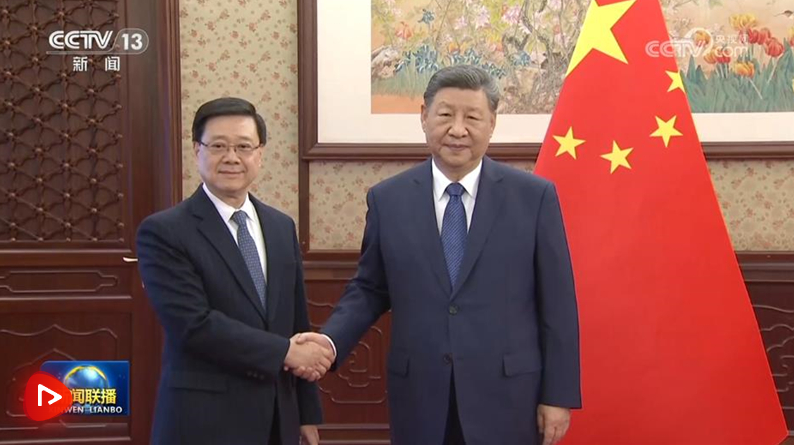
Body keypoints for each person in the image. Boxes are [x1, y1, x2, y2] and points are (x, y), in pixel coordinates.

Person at [296, 65, 581, 445]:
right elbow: (369, 289)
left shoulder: (533, 198)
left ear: (492, 123)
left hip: (509, 396)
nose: (457, 130)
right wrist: (329, 342)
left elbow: (558, 304)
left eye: (472, 117)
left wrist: (558, 395)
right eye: (445, 115)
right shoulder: (388, 199)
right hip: (420, 395)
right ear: (424, 117)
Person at [136, 97, 332, 445]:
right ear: (197, 150)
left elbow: (296, 322)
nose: (231, 157)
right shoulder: (164, 231)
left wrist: (306, 413)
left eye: (243, 146)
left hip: (278, 417)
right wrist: (284, 352)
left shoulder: (281, 227)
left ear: (260, 154)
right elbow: (194, 325)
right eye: (218, 146)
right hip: (204, 421)